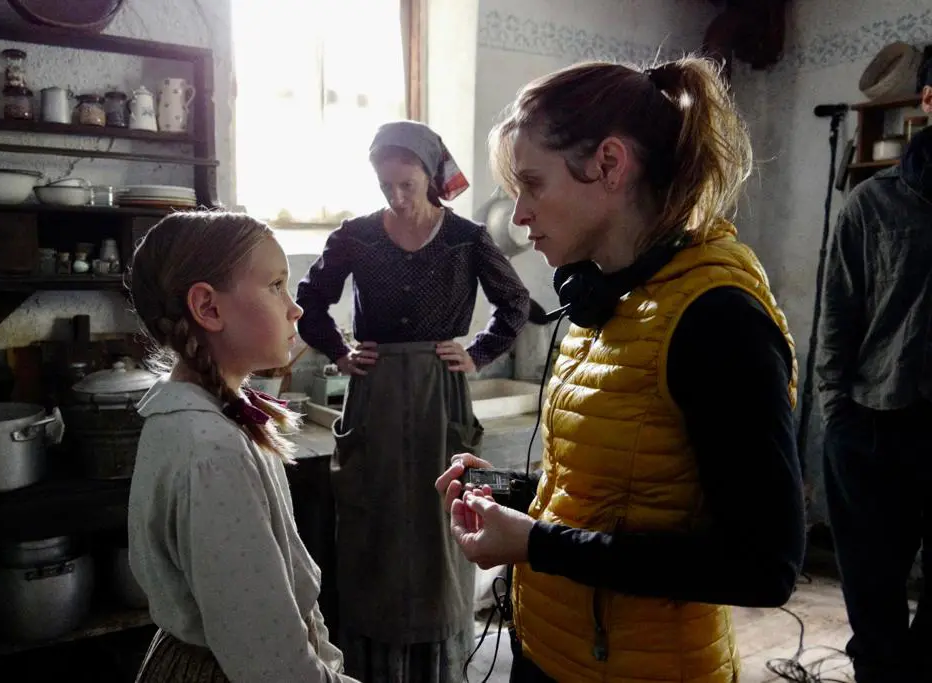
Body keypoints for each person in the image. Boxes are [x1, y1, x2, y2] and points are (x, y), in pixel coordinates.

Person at [435, 56, 807, 683]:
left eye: (532, 184)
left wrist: (533, 545)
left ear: (609, 165)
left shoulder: (716, 320)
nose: (519, 215)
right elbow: (606, 498)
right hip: (553, 649)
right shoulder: (601, 300)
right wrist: (502, 492)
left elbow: (764, 568)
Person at [296, 120, 531, 682]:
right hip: (373, 393)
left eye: (407, 183)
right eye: (386, 186)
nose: (397, 197)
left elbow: (516, 302)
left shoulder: (467, 238)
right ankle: (365, 667)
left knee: (441, 516)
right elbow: (309, 299)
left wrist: (477, 353)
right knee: (370, 517)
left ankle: (437, 666)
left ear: (430, 176)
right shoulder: (355, 236)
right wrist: (340, 351)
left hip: (439, 395)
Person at [126, 212, 358, 683]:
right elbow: (272, 667)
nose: (295, 309)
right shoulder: (214, 451)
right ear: (208, 308)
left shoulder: (207, 417)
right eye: (275, 285)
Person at [816, 60, 932, 683]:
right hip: (873, 425)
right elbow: (839, 314)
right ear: (930, 100)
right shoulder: (873, 203)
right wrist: (837, 415)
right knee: (873, 596)